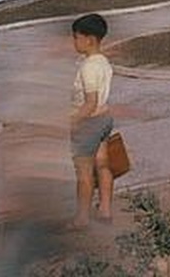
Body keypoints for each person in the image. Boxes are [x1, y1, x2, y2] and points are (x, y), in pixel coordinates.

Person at [69, 14, 114, 229]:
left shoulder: (88, 67)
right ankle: (105, 208)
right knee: (103, 164)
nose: (74, 42)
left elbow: (90, 102)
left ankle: (82, 217)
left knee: (84, 173)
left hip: (89, 123)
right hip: (105, 119)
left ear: (89, 39)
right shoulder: (103, 62)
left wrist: (73, 120)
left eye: (76, 37)